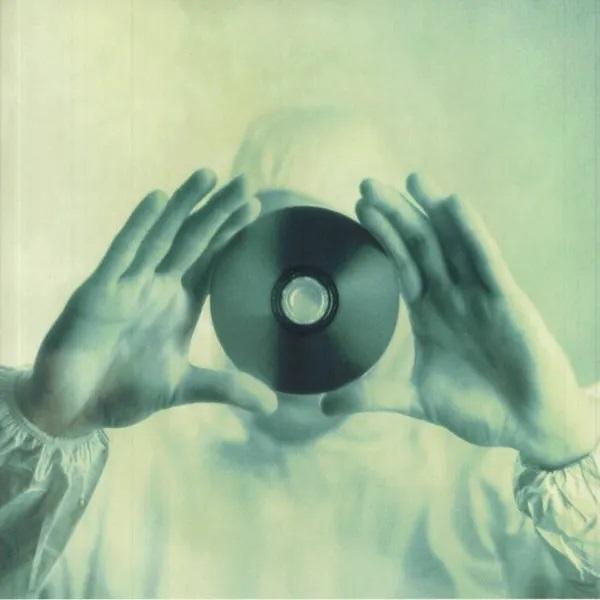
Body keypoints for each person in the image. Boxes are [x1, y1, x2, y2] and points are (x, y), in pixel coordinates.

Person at [0, 108, 598, 598]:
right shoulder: (103, 472)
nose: (297, 304)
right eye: (271, 255)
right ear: (225, 260)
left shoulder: (493, 488)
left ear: (394, 272)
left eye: (331, 260)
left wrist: (567, 447)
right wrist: (43, 424)